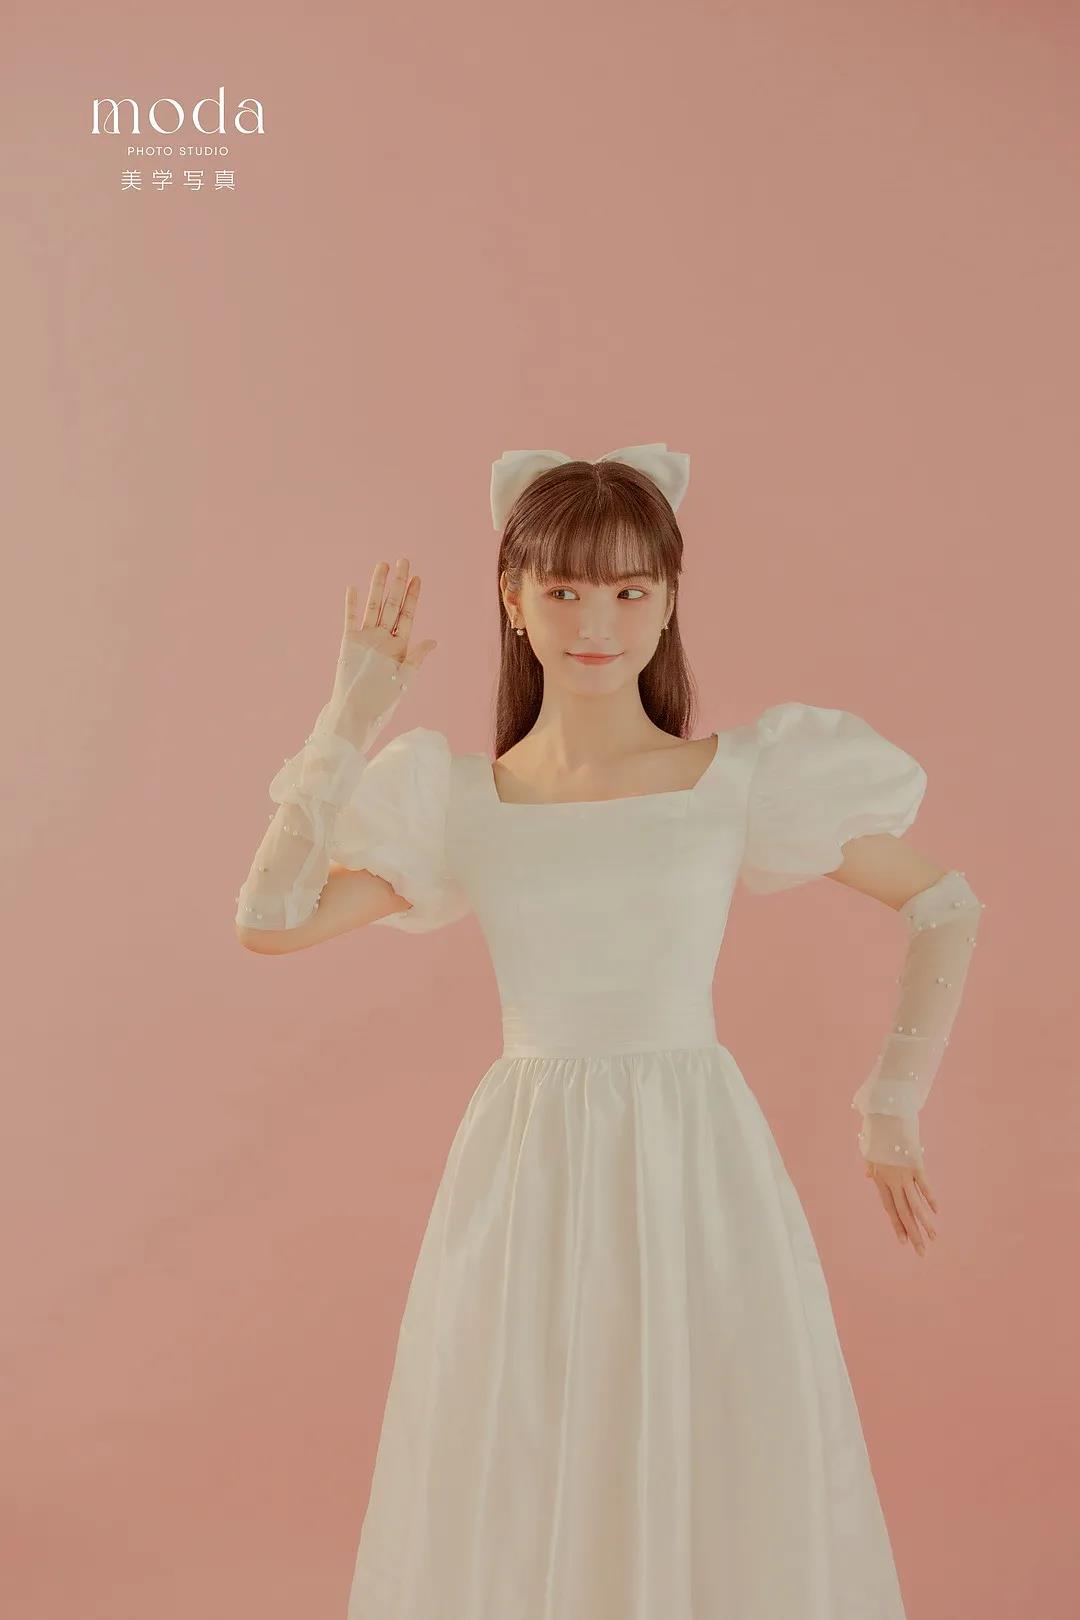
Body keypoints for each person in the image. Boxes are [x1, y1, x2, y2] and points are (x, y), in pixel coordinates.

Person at [234, 443, 984, 1619]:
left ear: (672, 599)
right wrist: (350, 713)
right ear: (513, 598)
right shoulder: (461, 801)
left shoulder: (736, 779)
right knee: (530, 1452)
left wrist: (890, 1101)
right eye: (566, 589)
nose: (598, 623)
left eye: (632, 590)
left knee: (712, 1439)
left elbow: (945, 904)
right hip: (527, 1173)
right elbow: (270, 920)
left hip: (699, 1164)